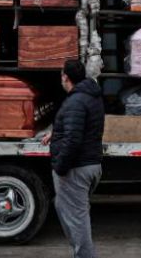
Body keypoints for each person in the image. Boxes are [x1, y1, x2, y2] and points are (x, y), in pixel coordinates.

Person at [43, 59, 105, 258]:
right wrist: (57, 132)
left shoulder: (75, 101)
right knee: (68, 210)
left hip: (76, 169)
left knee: (77, 221)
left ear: (65, 77)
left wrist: (60, 167)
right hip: (91, 164)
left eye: (61, 75)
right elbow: (82, 127)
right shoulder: (90, 97)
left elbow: (73, 140)